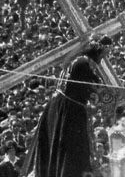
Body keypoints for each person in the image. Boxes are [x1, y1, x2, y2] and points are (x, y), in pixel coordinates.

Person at [22, 35, 113, 177]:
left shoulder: (76, 59)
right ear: (98, 50)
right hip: (69, 110)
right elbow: (97, 90)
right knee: (71, 153)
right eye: (104, 53)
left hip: (58, 107)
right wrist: (110, 100)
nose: (104, 58)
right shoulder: (85, 64)